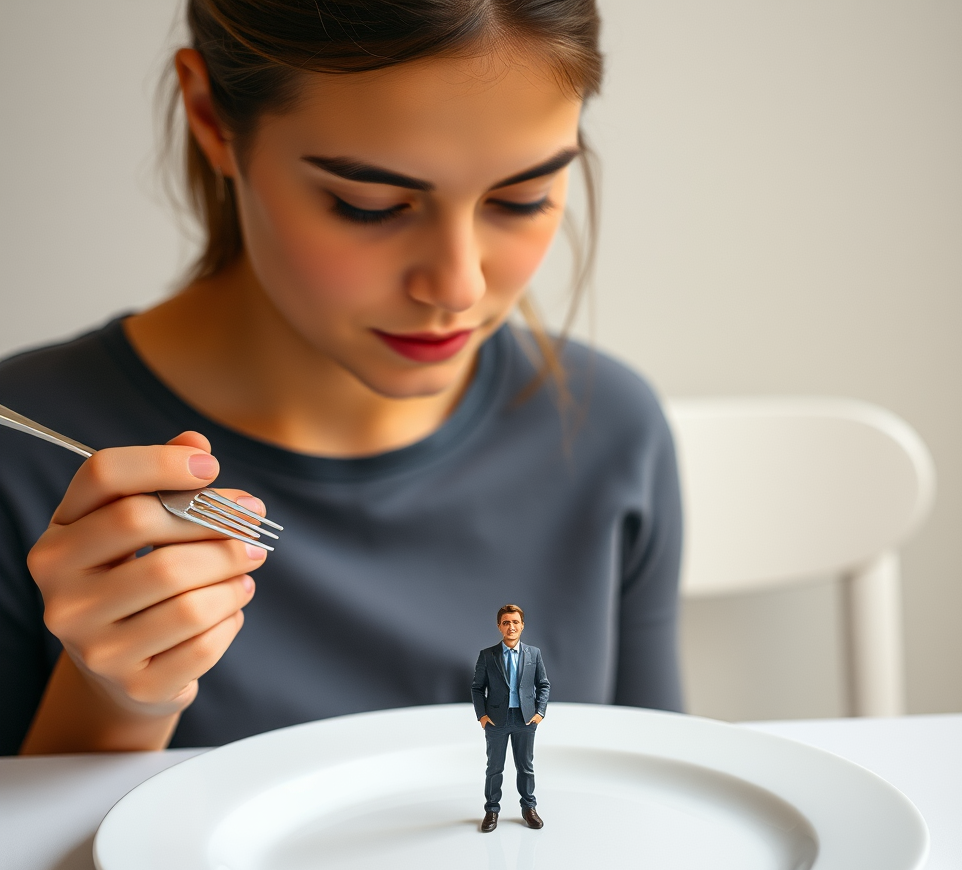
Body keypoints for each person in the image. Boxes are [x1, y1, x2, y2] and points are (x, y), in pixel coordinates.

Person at [0, 0, 683, 757]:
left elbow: (651, 807)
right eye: (371, 206)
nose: (456, 287)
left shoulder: (610, 431)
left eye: (522, 198)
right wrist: (118, 701)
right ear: (210, 115)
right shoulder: (25, 452)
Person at [472, 604, 549, 832]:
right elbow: (477, 688)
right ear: (499, 626)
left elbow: (543, 684)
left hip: (525, 719)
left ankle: (528, 808)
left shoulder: (533, 654)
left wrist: (539, 712)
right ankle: (492, 810)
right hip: (496, 720)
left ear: (522, 625)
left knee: (525, 766)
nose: (511, 626)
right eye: (506, 622)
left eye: (515, 622)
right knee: (494, 768)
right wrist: (482, 716)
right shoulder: (487, 655)